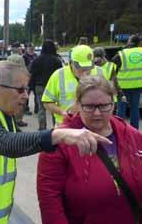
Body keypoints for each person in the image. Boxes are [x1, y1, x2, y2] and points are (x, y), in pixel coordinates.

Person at [0, 61, 111, 224]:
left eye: (26, 89)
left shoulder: (1, 111)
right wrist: (58, 135)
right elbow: (6, 143)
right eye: (20, 90)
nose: (26, 95)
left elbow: (22, 139)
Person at [37, 75, 142, 224]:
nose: (97, 113)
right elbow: (49, 202)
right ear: (78, 105)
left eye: (104, 106)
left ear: (113, 104)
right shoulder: (59, 144)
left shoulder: (132, 136)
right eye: (90, 106)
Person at [42, 44, 105, 126]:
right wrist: (62, 112)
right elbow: (47, 102)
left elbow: (110, 100)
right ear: (71, 63)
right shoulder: (58, 75)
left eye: (88, 67)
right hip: (67, 126)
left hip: (93, 125)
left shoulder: (100, 72)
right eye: (81, 68)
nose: (85, 72)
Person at [29, 39, 63, 130]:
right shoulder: (56, 60)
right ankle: (55, 127)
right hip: (53, 87)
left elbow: (32, 74)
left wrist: (31, 87)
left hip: (39, 86)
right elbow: (60, 74)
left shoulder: (36, 60)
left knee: (41, 108)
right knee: (54, 108)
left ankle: (42, 127)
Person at [112, 34, 142, 129]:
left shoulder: (122, 54)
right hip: (138, 85)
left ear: (130, 42)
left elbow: (113, 65)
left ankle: (120, 130)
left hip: (122, 87)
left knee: (121, 109)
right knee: (135, 109)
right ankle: (134, 131)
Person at [7, 43, 29, 127]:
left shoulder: (9, 58)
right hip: (19, 81)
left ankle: (12, 118)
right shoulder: (20, 58)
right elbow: (23, 69)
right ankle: (19, 119)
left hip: (10, 81)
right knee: (21, 101)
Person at [23, 43, 38, 115]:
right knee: (26, 94)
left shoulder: (36, 56)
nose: (32, 48)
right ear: (27, 48)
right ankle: (25, 109)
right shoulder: (24, 56)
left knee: (36, 94)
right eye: (30, 47)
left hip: (35, 78)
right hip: (27, 78)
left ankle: (37, 108)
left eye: (33, 47)